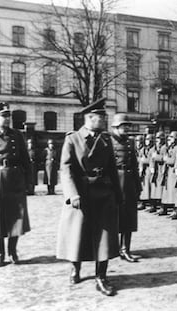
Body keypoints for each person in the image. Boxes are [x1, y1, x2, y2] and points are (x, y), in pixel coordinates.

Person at [56, 98, 122, 296]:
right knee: (78, 234)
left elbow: (111, 168)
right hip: (81, 195)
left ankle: (101, 277)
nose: (104, 120)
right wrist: (72, 194)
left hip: (103, 193)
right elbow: (65, 170)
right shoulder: (73, 139)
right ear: (90, 118)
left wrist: (118, 194)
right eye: (101, 117)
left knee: (105, 237)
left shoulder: (105, 139)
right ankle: (75, 268)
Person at [0, 102, 31, 267]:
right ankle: (0, 253)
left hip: (16, 177)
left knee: (16, 215)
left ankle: (12, 251)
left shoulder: (17, 135)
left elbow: (25, 158)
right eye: (3, 116)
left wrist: (29, 182)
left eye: (8, 116)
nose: (7, 119)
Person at [110, 113, 141, 263]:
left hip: (128, 182)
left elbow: (134, 165)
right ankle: (113, 248)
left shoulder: (130, 142)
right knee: (113, 217)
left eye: (128, 126)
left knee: (128, 217)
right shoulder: (108, 142)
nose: (127, 128)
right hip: (114, 181)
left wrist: (138, 185)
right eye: (124, 126)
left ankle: (125, 249)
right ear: (115, 127)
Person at [159, 131, 177, 216]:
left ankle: (176, 210)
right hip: (168, 171)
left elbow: (173, 160)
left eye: (171, 138)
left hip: (173, 172)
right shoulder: (171, 147)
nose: (169, 140)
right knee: (167, 192)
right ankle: (165, 208)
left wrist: (166, 159)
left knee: (174, 193)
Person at [150, 132, 167, 214]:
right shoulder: (155, 148)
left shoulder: (164, 147)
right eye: (156, 139)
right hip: (156, 170)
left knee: (161, 190)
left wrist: (156, 157)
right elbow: (151, 158)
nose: (157, 140)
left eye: (159, 138)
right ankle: (154, 206)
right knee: (155, 189)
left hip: (161, 169)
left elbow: (164, 158)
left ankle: (162, 207)